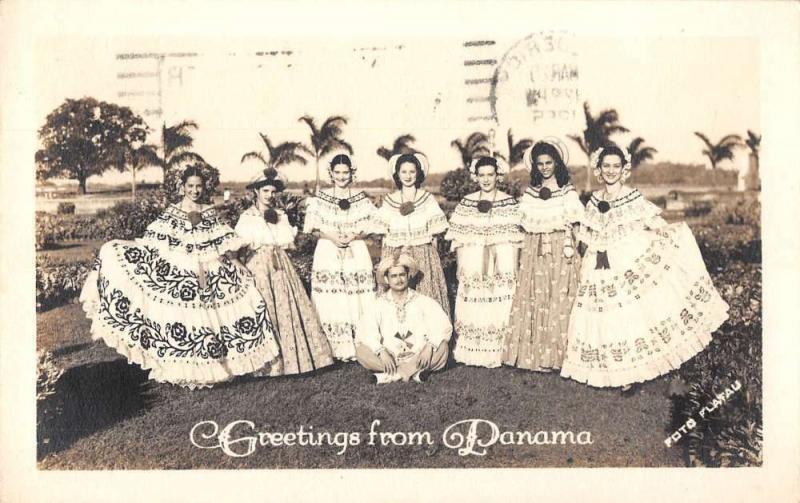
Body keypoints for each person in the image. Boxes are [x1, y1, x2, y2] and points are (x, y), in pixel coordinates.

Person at [79, 165, 281, 388]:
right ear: (183, 187)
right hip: (183, 271)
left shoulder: (209, 211)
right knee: (186, 318)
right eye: (190, 186)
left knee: (215, 316)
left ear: (204, 188)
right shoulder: (173, 211)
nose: (195, 191)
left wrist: (236, 263)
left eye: (198, 186)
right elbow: (154, 241)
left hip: (210, 269)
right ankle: (186, 369)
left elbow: (224, 242)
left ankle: (215, 366)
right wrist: (130, 249)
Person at [560, 145, 729, 389]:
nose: (610, 171)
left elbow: (652, 220)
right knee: (604, 311)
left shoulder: (632, 196)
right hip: (599, 261)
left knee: (631, 312)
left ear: (623, 169)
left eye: (615, 166)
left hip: (627, 255)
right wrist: (572, 231)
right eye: (606, 166)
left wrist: (668, 232)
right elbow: (587, 232)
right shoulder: (595, 199)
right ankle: (611, 368)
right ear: (599, 169)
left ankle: (633, 371)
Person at [234, 167, 334, 376]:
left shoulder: (280, 216)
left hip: (281, 266)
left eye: (273, 192)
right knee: (264, 309)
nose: (270, 196)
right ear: (256, 193)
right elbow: (237, 249)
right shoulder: (247, 217)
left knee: (287, 308)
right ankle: (267, 366)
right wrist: (243, 268)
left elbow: (288, 242)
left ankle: (294, 361)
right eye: (265, 191)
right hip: (259, 266)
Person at [503, 140, 584, 371]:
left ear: (557, 163)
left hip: (561, 251)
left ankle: (560, 357)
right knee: (536, 297)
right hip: (534, 252)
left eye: (549, 163)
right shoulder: (530, 194)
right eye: (540, 164)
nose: (545, 167)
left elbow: (577, 226)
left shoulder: (567, 192)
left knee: (559, 299)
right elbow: (522, 228)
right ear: (535, 166)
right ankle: (535, 356)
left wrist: (577, 252)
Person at [444, 155, 523, 368]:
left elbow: (515, 239)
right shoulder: (467, 202)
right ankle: (473, 350)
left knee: (500, 300)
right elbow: (459, 239)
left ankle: (500, 351)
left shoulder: (508, 201)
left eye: (490, 175)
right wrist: (461, 265)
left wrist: (514, 265)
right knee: (474, 300)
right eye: (482, 175)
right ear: (475, 177)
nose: (486, 179)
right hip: (473, 258)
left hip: (502, 258)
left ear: (498, 176)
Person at [302, 153, 378, 361]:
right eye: (338, 172)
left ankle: (360, 343)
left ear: (352, 173)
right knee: (332, 297)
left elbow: (373, 225)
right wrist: (332, 236)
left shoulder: (361, 198)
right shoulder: (320, 198)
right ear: (331, 173)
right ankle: (334, 347)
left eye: (346, 173)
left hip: (355, 249)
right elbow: (312, 228)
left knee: (357, 294)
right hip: (328, 250)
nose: (342, 177)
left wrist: (354, 234)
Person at [355, 251, 451, 383]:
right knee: (361, 351)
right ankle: (414, 373)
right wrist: (381, 351)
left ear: (408, 276)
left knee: (442, 347)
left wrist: (429, 347)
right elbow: (367, 331)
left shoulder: (423, 301)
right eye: (394, 276)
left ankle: (392, 375)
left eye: (402, 275)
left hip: (419, 354)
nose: (399, 280)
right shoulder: (378, 305)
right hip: (390, 356)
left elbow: (442, 326)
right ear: (387, 280)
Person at [374, 153, 450, 314]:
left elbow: (435, 233)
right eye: (404, 172)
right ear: (397, 174)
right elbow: (382, 233)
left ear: (418, 173)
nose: (408, 176)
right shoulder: (390, 201)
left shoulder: (427, 199)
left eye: (412, 172)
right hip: (396, 254)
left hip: (423, 254)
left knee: (426, 297)